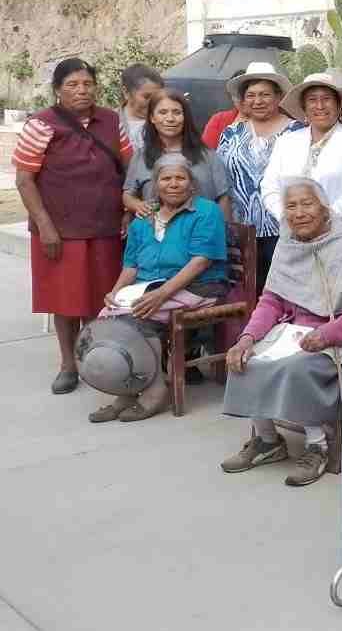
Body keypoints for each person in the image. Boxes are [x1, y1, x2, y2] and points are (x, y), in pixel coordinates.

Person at [221, 178, 342, 487]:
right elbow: (272, 300)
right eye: (291, 206)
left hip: (338, 337)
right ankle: (268, 441)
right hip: (292, 333)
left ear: (325, 209)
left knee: (297, 367)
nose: (299, 213)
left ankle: (317, 447)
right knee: (244, 359)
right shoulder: (287, 245)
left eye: (307, 204)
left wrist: (327, 333)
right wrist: (247, 338)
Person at [14, 57, 133, 394]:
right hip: (60, 232)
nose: (82, 90)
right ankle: (68, 365)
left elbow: (129, 168)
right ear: (58, 90)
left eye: (88, 84)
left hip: (106, 228)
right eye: (72, 85)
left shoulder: (112, 121)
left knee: (100, 299)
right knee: (65, 301)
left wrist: (128, 209)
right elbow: (24, 180)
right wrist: (45, 226)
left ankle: (93, 360)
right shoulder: (41, 124)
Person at [91, 154, 229, 422]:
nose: (173, 184)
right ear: (156, 184)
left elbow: (201, 261)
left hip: (200, 286)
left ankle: (154, 390)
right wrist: (115, 292)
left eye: (180, 178)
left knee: (138, 318)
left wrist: (162, 294)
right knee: (108, 318)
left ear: (191, 183)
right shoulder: (144, 218)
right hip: (150, 287)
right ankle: (126, 389)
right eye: (166, 178)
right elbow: (131, 265)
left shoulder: (206, 211)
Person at [216, 62, 303, 292]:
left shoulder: (297, 132)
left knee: (280, 292)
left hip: (284, 228)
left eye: (265, 94)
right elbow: (220, 178)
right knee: (244, 293)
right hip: (240, 230)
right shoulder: (231, 133)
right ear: (243, 100)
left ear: (278, 97)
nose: (258, 101)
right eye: (251, 95)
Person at [261, 70, 342, 233]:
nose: (319, 106)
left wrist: (325, 220)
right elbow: (269, 186)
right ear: (304, 107)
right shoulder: (286, 141)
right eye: (312, 100)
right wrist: (287, 217)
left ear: (338, 105)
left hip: (340, 233)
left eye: (326, 99)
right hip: (294, 235)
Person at [123, 88, 232, 222]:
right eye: (163, 112)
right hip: (156, 231)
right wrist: (138, 205)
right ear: (152, 118)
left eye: (177, 112)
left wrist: (223, 228)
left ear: (185, 117)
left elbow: (224, 197)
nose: (170, 119)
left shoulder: (207, 155)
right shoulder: (141, 156)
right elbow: (128, 194)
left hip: (202, 231)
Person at [118, 64, 164, 153]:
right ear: (126, 92)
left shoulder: (167, 121)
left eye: (157, 97)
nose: (153, 102)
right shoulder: (110, 123)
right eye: (146, 97)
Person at [201, 69, 246, 150]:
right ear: (231, 96)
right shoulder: (219, 120)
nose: (242, 99)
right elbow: (206, 153)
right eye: (236, 94)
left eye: (249, 94)